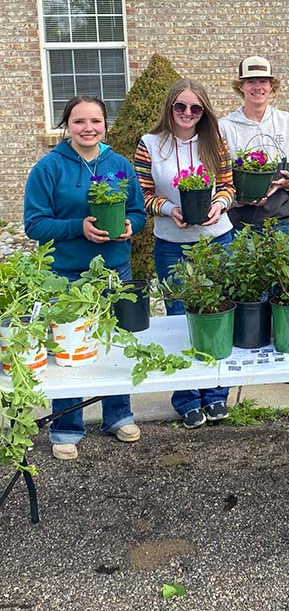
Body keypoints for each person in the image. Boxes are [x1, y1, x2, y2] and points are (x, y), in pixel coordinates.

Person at [24, 96, 146, 461]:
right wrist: (79, 227)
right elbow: (34, 224)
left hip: (113, 270)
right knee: (69, 351)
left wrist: (129, 226)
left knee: (115, 344)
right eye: (79, 121)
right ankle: (66, 426)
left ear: (105, 124)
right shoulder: (49, 168)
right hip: (67, 273)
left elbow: (138, 212)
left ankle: (118, 414)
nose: (88, 128)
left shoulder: (119, 165)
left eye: (95, 121)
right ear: (67, 126)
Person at [134, 79, 234, 429]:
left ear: (203, 111)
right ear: (170, 108)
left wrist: (219, 205)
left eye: (195, 108)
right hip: (171, 243)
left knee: (216, 314)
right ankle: (186, 397)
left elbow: (228, 185)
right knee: (179, 316)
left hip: (216, 240)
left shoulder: (215, 142)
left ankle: (216, 393)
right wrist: (167, 209)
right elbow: (143, 194)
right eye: (181, 106)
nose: (188, 113)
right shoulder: (150, 144)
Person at [219, 56, 289, 234]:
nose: (257, 87)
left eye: (263, 81)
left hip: (281, 219)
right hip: (238, 222)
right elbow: (217, 173)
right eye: (250, 81)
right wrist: (238, 199)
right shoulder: (224, 126)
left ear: (271, 86)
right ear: (240, 87)